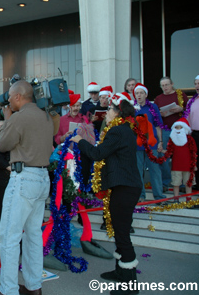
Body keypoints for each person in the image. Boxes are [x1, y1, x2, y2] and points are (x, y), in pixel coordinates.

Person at [0, 80, 54, 295]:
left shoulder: (19, 117)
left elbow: (2, 145)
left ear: (17, 97)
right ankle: (34, 287)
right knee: (33, 234)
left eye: (10, 99)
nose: (9, 103)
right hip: (42, 177)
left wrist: (7, 120)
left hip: (24, 178)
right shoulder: (46, 116)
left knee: (8, 236)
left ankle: (9, 290)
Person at [72, 96, 142, 295]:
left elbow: (97, 154)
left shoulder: (117, 131)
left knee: (122, 233)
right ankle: (121, 272)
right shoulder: (124, 130)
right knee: (120, 231)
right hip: (122, 187)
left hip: (124, 187)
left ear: (118, 113)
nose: (106, 114)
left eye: (109, 110)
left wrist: (80, 141)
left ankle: (130, 286)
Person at [133, 83, 167, 203]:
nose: (139, 95)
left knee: (155, 169)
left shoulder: (153, 107)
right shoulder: (133, 108)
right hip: (137, 145)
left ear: (146, 94)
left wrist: (161, 142)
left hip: (151, 143)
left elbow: (158, 126)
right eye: (137, 93)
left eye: (141, 93)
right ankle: (140, 196)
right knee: (138, 170)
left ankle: (158, 196)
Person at [154, 77, 189, 190]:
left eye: (167, 85)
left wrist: (181, 109)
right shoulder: (158, 98)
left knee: (181, 155)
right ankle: (166, 182)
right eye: (162, 85)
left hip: (180, 130)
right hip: (165, 130)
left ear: (172, 84)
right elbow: (154, 115)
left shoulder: (180, 95)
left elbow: (188, 110)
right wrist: (160, 114)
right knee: (163, 155)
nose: (165, 87)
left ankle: (182, 183)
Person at [166, 118, 197, 204]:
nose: (178, 129)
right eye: (176, 127)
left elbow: (194, 152)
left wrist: (194, 165)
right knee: (176, 183)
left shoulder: (190, 140)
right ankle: (176, 199)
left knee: (188, 183)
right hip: (176, 165)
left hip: (188, 165)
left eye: (180, 127)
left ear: (185, 129)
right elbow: (169, 151)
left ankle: (188, 199)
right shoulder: (172, 140)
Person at [185, 75, 199, 191]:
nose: (197, 86)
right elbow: (188, 118)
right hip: (195, 134)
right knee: (195, 160)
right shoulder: (191, 101)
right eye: (196, 83)